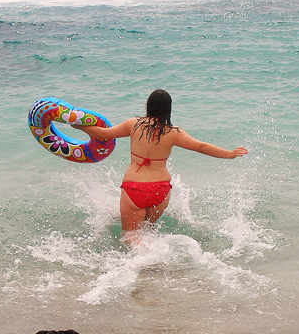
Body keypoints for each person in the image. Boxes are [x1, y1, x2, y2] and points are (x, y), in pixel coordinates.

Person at [74, 89, 248, 243]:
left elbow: (102, 133)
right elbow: (200, 146)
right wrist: (229, 154)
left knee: (131, 236)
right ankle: (157, 266)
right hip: (161, 191)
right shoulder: (173, 132)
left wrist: (78, 125)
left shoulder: (133, 124)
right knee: (147, 232)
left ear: (148, 105)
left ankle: (144, 268)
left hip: (134, 188)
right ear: (168, 108)